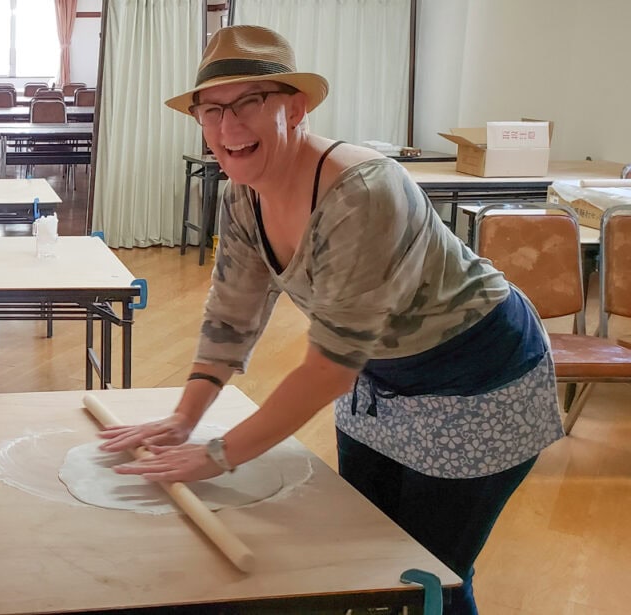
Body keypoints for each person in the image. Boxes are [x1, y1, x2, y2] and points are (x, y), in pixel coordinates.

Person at [98, 26, 563, 615]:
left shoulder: (362, 191)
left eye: (249, 103)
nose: (228, 127)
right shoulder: (243, 193)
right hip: (380, 382)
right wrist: (182, 419)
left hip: (478, 382)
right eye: (211, 110)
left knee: (428, 574)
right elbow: (230, 317)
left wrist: (219, 455)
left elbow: (327, 370)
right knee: (361, 558)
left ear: (295, 108)